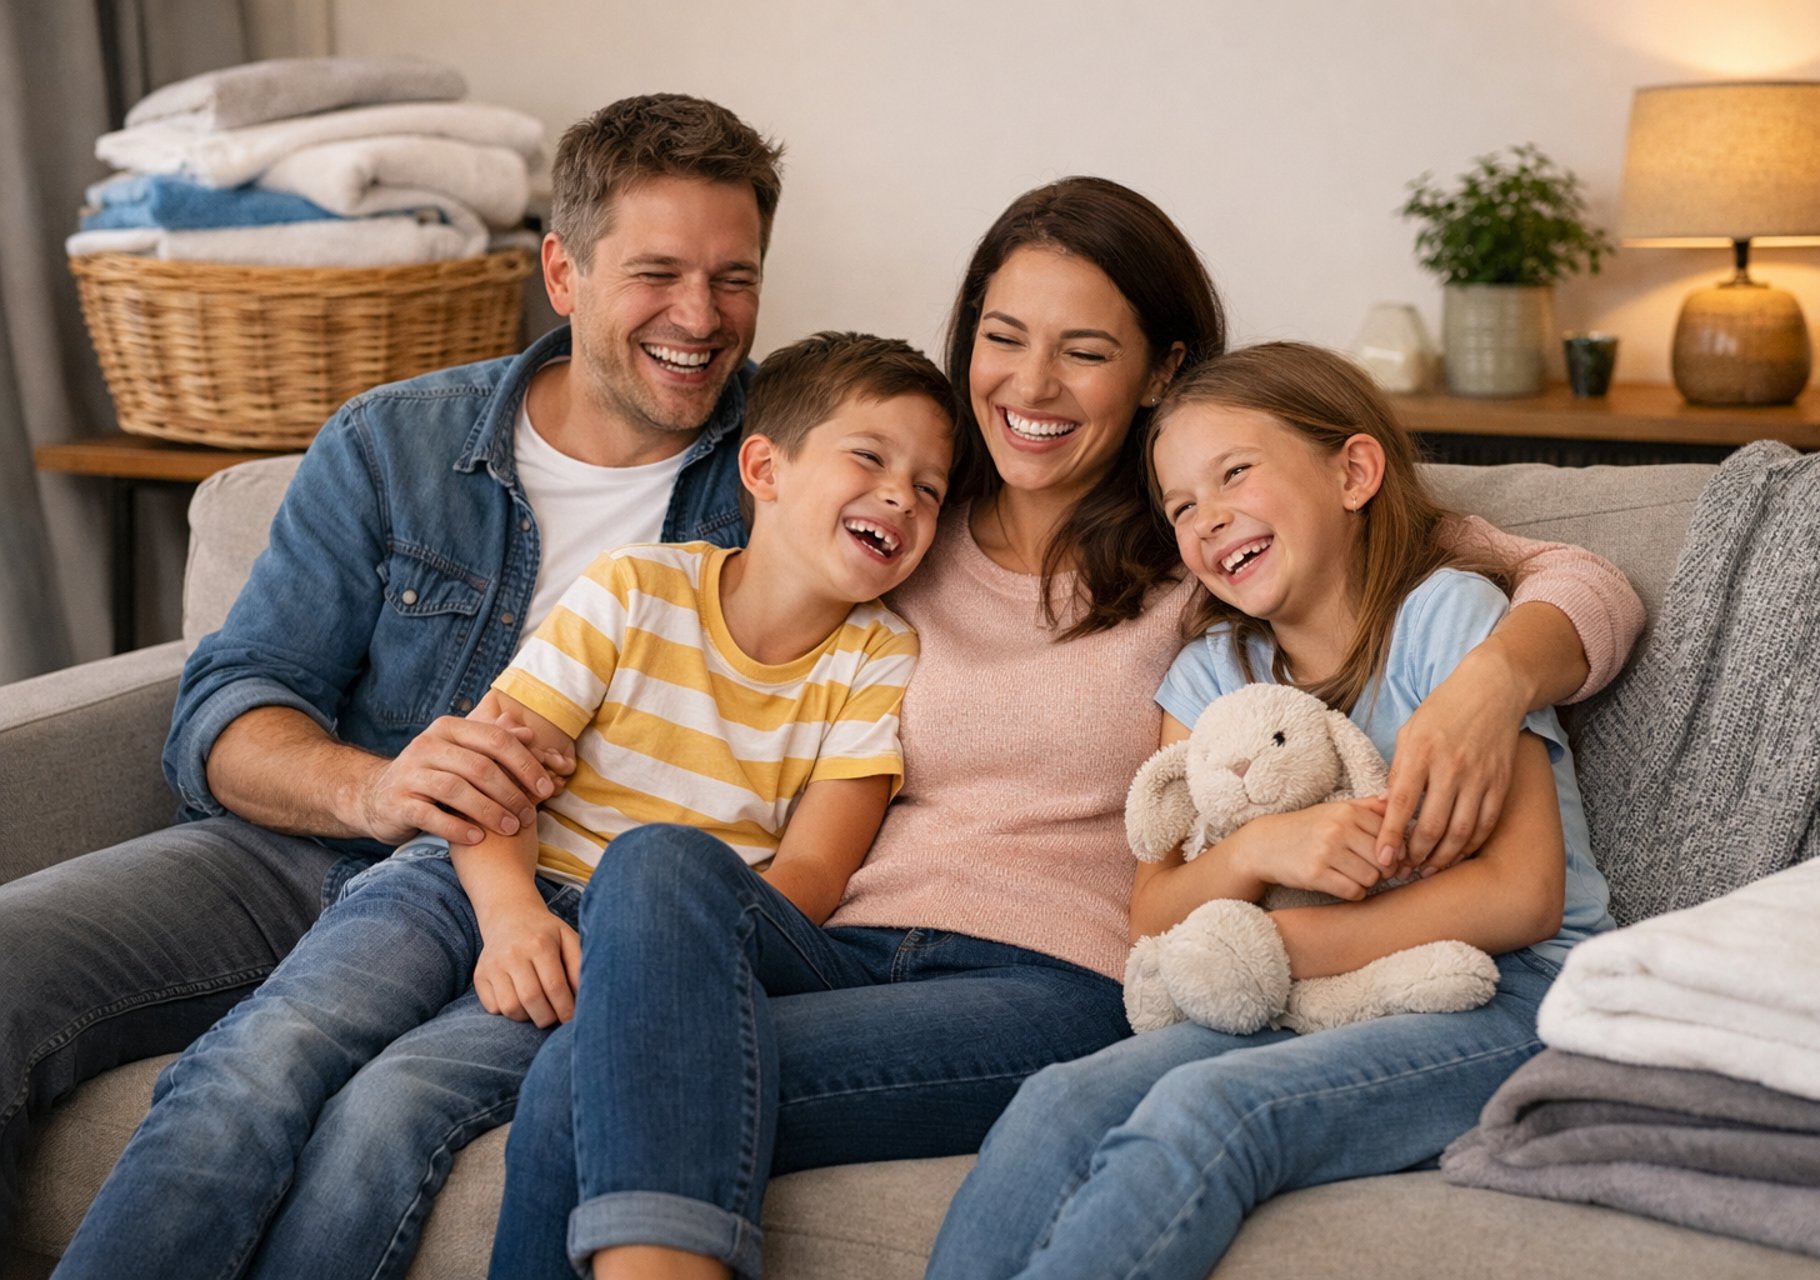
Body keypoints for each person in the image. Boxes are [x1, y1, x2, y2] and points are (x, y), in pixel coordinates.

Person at [485, 178, 1644, 1280]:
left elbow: (1567, 573)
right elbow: (736, 586)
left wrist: (1490, 680)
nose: (1030, 384)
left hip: (1050, 974)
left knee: (584, 1085)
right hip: (850, 944)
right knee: (651, 878)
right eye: (1004, 335)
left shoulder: (1210, 557)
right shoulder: (906, 512)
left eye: (1085, 350)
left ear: (1159, 370)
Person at [0, 92, 782, 1251]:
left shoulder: (796, 473)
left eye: (735, 278)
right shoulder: (394, 441)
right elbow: (226, 706)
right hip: (305, 851)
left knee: (296, 1084)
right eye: (658, 272)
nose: (701, 316)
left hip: (559, 897)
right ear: (563, 274)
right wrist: (373, 789)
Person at [54, 331, 955, 1278]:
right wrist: (511, 914)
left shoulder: (879, 659)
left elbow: (809, 877)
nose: (902, 494)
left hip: (620, 948)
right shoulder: (635, 587)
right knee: (260, 1062)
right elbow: (490, 771)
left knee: (393, 1108)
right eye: (871, 457)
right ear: (765, 468)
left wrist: (654, 959)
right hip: (462, 878)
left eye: (931, 487)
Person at [924, 340, 1617, 1280]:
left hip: (1508, 995)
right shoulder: (1209, 674)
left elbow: (1524, 896)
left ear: (1355, 472)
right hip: (1289, 1000)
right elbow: (1153, 913)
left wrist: (1266, 955)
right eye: (1180, 506)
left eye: (1236, 473)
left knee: (1201, 1113)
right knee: (1055, 1104)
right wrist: (1259, 851)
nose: (1209, 519)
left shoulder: (1447, 618)